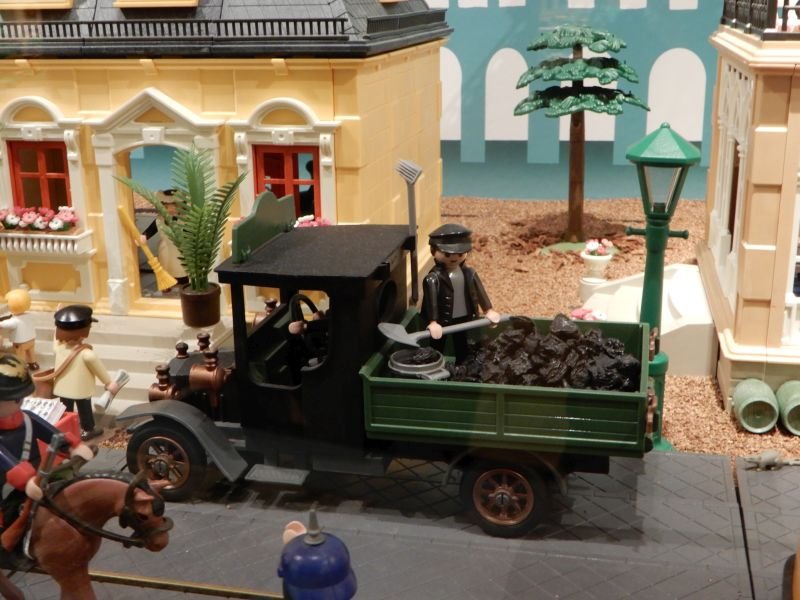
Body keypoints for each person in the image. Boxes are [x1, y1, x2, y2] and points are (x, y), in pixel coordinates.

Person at [0, 353, 93, 534]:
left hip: (36, 470)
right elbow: (5, 459)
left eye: (18, 398)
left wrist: (72, 446)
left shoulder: (26, 418)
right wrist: (26, 480)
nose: (17, 402)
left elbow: (52, 434)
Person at [421, 223, 500, 363]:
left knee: (462, 345)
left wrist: (488, 310)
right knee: (437, 345)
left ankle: (462, 367)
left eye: (460, 254)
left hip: (463, 317)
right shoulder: (433, 278)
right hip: (442, 320)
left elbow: (480, 291)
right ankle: (434, 365)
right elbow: (430, 301)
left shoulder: (469, 273)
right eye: (447, 254)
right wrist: (433, 322)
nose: (454, 258)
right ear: (433, 251)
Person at [52, 305, 120, 441]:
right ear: (84, 331)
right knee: (84, 410)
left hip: (62, 388)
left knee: (66, 410)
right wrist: (108, 383)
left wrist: (60, 319)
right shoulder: (87, 354)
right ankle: (88, 430)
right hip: (81, 390)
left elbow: (56, 338)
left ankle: (67, 429)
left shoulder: (58, 348)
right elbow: (99, 369)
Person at [140, 189, 188, 286]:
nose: (170, 210)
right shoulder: (160, 220)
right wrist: (144, 236)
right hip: (165, 249)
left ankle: (184, 283)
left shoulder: (185, 219)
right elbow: (152, 229)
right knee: (166, 268)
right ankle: (166, 285)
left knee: (181, 268)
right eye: (166, 207)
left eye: (174, 206)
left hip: (181, 250)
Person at [0, 288, 38, 371]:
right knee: (31, 352)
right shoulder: (30, 315)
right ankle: (33, 364)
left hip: (21, 343)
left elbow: (4, 324)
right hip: (31, 340)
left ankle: (22, 367)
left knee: (21, 356)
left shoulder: (14, 321)